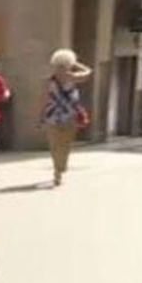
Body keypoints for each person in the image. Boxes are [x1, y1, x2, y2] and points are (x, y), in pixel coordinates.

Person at [39, 48, 92, 186]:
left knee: (54, 145)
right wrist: (75, 64)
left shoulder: (48, 80)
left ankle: (58, 169)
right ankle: (60, 168)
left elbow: (43, 99)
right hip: (70, 115)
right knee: (65, 144)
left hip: (52, 116)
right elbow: (88, 72)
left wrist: (41, 116)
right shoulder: (73, 77)